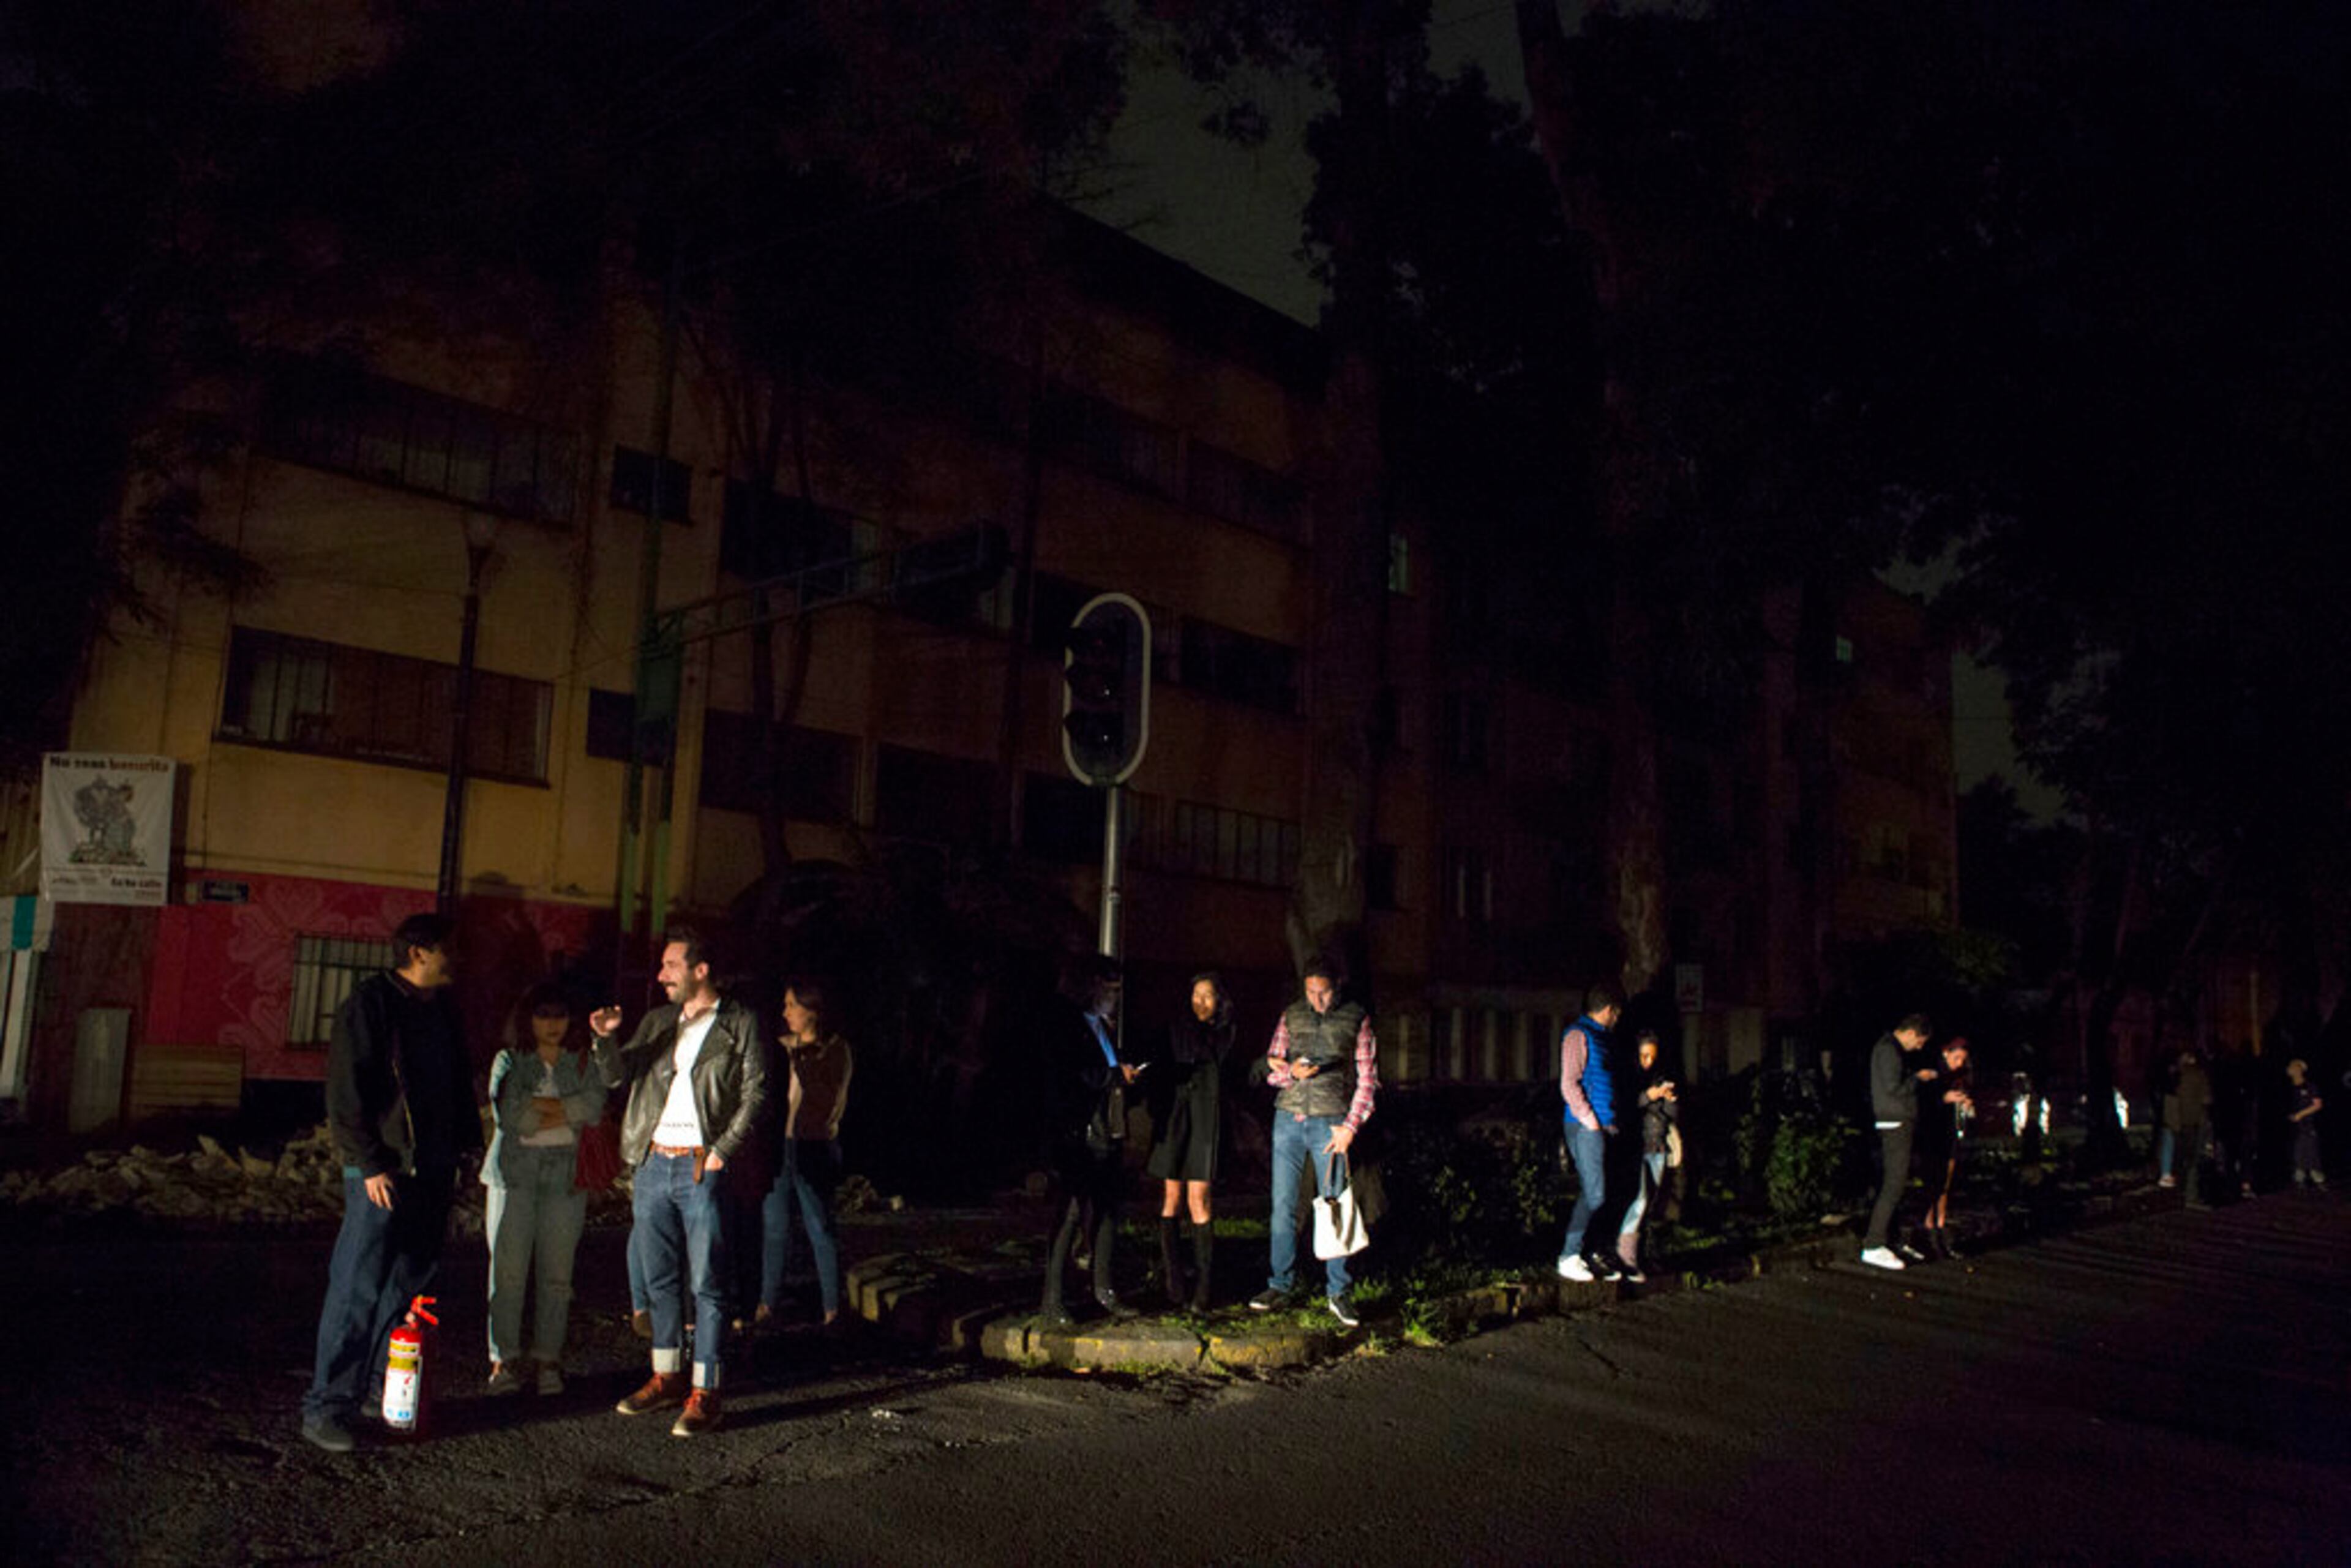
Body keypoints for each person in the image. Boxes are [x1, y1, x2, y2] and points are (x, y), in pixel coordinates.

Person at [300, 912, 482, 1453]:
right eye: (450, 947)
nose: (458, 958)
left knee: (410, 1287)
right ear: (420, 952)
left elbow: (457, 1083)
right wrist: (368, 1162)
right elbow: (346, 1092)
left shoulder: (442, 1009)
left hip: (433, 1166)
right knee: (358, 1286)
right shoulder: (370, 1004)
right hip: (383, 1169)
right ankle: (327, 1405)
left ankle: (386, 1393)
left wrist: (466, 1150)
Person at [590, 927, 771, 1438]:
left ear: (700, 969)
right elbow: (616, 1078)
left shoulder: (738, 1023)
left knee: (708, 1282)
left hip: (700, 1165)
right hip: (653, 1163)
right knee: (660, 1280)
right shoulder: (659, 1021)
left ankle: (706, 1390)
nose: (661, 974)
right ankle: (666, 1376)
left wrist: (720, 1152)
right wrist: (605, 1039)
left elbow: (756, 1093)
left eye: (671, 965)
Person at [481, 981, 607, 1397]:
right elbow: (511, 1117)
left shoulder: (581, 1060)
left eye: (560, 1015)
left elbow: (593, 1109)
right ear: (527, 1017)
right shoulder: (510, 1059)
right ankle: (503, 1359)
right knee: (508, 1272)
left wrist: (545, 1109)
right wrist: (566, 1111)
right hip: (514, 1175)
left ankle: (547, 1358)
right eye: (543, 1015)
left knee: (557, 1274)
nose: (552, 1024)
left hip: (565, 1176)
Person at [1250, 961, 1379, 1328]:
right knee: (1283, 1205)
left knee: (1334, 1204)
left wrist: (1350, 1127)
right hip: (1289, 1119)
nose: (1317, 999)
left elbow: (1368, 1080)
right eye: (1310, 992)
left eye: (1323, 992)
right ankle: (1280, 1284)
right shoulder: (1291, 1015)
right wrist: (1289, 1071)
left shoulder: (1356, 1018)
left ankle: (1339, 1291)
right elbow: (1274, 1068)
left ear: (1336, 987)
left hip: (1330, 1121)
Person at [1040, 956, 1138, 1326]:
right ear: (1090, 986)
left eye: (1118, 990)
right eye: (1110, 989)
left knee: (1109, 1211)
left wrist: (1121, 1078)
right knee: (1069, 1215)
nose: (1115, 996)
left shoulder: (1103, 1027)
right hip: (1079, 1134)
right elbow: (1070, 1076)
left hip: (1108, 1131)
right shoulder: (1067, 1023)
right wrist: (1113, 1075)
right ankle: (1052, 1299)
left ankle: (1104, 1289)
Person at [757, 978, 855, 1328]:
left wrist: (797, 1059)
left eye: (792, 1005)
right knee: (774, 1227)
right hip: (780, 1145)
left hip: (813, 1146)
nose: (786, 1013)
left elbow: (825, 1094)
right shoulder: (784, 1046)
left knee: (820, 1226)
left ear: (812, 1010)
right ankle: (767, 1302)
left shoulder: (835, 1050)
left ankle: (832, 1306)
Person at [1145, 972, 1234, 1310]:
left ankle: (1204, 1288)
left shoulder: (1226, 1033)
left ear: (1219, 1000)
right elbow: (1161, 1068)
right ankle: (1174, 1283)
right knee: (1171, 1196)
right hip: (1176, 1118)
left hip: (1205, 1121)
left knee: (1200, 1199)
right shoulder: (1175, 1028)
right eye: (1196, 995)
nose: (1200, 1002)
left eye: (1208, 996)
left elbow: (1228, 1073)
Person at [1554, 985, 1624, 1284]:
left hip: (1604, 1127)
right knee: (1595, 1193)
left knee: (1604, 1193)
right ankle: (1568, 1257)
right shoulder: (1578, 1035)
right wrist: (1591, 1121)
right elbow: (1569, 1084)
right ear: (1609, 1009)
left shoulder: (1602, 1038)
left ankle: (1592, 1253)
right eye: (1617, 1013)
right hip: (1586, 1127)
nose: (1618, 1019)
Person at [1861, 1013, 1937, 1270]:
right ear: (1913, 1033)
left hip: (1894, 1120)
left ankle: (1889, 1240)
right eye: (1920, 1042)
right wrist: (1918, 1078)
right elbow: (1894, 1087)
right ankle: (1873, 1245)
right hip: (1895, 1122)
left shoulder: (1887, 1048)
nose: (1920, 1047)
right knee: (1894, 1184)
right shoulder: (1889, 1051)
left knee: (1894, 1184)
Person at [1611, 1029, 1678, 1282]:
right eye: (1644, 1056)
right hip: (1635, 1146)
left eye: (1652, 1057)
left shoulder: (1659, 1077)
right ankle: (1626, 1257)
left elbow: (1672, 1114)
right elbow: (1625, 1108)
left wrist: (1670, 1100)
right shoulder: (1629, 1078)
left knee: (1650, 1203)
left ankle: (1640, 1255)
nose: (1648, 1062)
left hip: (1657, 1145)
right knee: (1637, 1201)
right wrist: (1647, 1097)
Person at [1919, 1037, 1974, 1256]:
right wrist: (1944, 1098)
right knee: (1933, 1180)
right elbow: (1924, 1101)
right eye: (1956, 1057)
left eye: (1963, 1059)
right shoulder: (1934, 1073)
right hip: (1933, 1134)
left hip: (1951, 1132)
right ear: (1946, 1053)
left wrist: (1967, 1105)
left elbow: (1969, 1110)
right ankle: (1929, 1226)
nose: (1959, 1063)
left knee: (1946, 1182)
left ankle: (1940, 1226)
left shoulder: (1960, 1076)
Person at [2159, 1046, 2212, 1204]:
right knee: (2192, 1159)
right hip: (2193, 1121)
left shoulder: (2174, 1076)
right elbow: (2206, 1099)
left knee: (2180, 1157)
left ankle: (2180, 1192)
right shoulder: (2198, 1076)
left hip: (2177, 1123)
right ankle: (2190, 1194)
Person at [2285, 1058, 2326, 1188]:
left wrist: (2300, 1115)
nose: (2294, 1070)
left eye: (2297, 1068)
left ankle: (2317, 1178)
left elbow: (2317, 1105)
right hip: (2292, 1127)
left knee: (2310, 1150)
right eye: (2292, 1068)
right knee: (2296, 1151)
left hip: (2307, 1124)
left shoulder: (2309, 1086)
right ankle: (2299, 1178)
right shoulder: (2288, 1089)